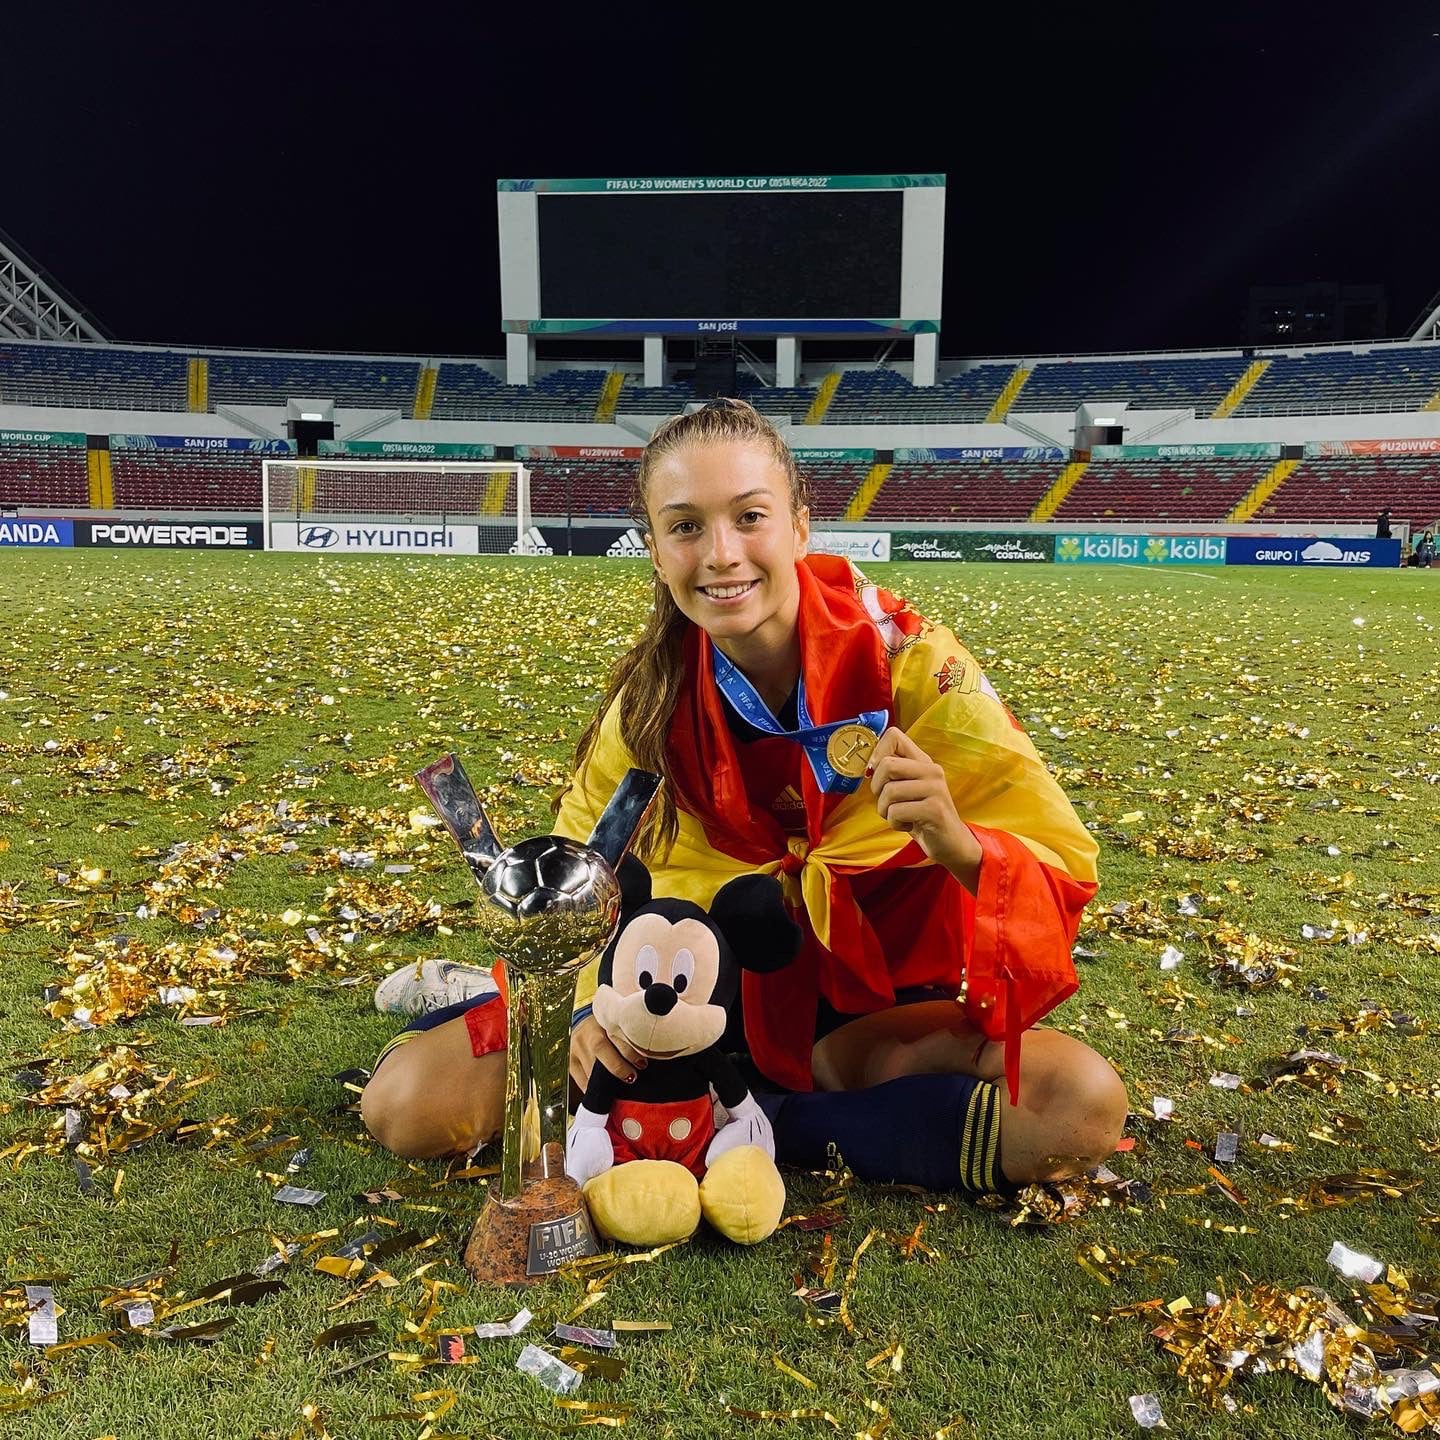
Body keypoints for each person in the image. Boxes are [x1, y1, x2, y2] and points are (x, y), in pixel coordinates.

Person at [363, 400, 1127, 1196]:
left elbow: (1060, 865)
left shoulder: (916, 670)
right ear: (655, 551)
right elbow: (583, 894)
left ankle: (752, 1120)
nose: (722, 554)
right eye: (686, 526)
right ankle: (740, 1113)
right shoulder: (652, 701)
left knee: (1075, 1107)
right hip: (680, 995)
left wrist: (958, 844)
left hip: (872, 1019)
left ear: (800, 526)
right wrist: (590, 1015)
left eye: (750, 516)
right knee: (408, 1107)